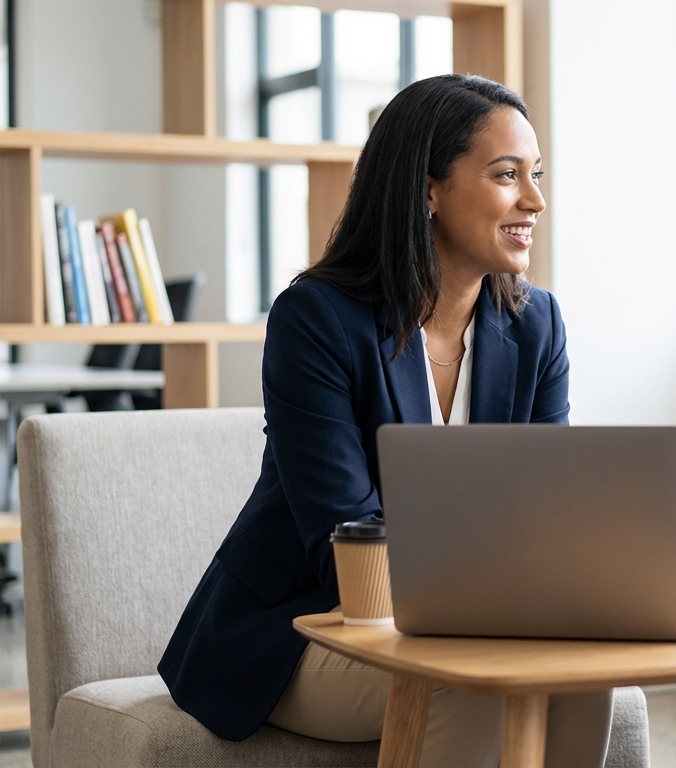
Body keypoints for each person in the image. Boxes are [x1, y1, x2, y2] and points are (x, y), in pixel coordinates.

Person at [159, 75, 615, 767]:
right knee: (468, 679)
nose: (535, 199)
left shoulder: (535, 325)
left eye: (537, 174)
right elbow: (346, 542)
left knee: (583, 674)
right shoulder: (315, 319)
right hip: (306, 630)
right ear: (427, 188)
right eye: (506, 175)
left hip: (465, 624)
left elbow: (543, 514)